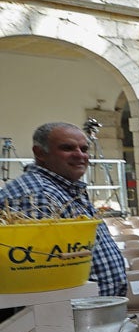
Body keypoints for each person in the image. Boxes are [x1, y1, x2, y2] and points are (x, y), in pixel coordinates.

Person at [0, 122, 126, 298]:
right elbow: (41, 277)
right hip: (65, 318)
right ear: (40, 153)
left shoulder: (63, 188)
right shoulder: (37, 195)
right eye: (67, 148)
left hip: (89, 314)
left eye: (84, 149)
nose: (80, 155)